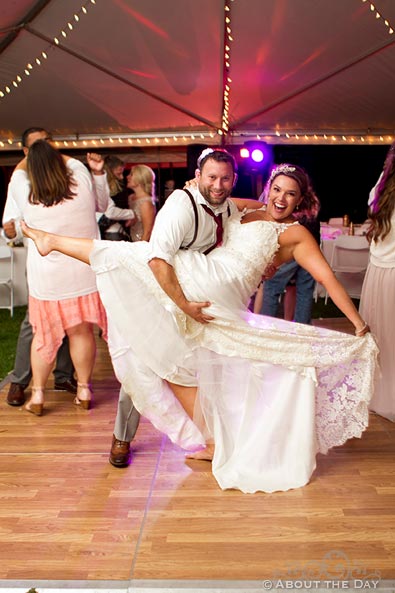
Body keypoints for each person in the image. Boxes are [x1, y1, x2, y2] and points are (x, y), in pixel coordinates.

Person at [22, 160, 377, 494]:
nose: (281, 199)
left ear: (302, 200)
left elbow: (326, 278)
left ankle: (51, 241)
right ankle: (211, 441)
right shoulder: (250, 207)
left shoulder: (296, 233)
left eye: (291, 194)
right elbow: (214, 193)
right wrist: (197, 185)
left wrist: (357, 321)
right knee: (177, 354)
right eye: (277, 190)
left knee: (136, 256)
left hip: (219, 285)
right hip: (204, 277)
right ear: (268, 188)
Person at [108, 149, 244, 468]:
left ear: (233, 180)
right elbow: (158, 261)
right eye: (211, 177)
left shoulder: (228, 208)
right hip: (156, 292)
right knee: (144, 362)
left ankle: (213, 435)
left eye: (225, 178)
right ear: (198, 177)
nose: (218, 184)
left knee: (194, 365)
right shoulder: (182, 206)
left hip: (193, 299)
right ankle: (121, 438)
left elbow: (243, 210)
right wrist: (182, 305)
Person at [21, 140, 109, 415]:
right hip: (82, 275)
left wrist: (31, 155)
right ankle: (83, 388)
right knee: (81, 332)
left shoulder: (27, 197)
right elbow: (103, 203)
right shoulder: (81, 185)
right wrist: (55, 152)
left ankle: (37, 395)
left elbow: (18, 176)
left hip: (47, 280)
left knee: (43, 336)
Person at [2, 127, 76, 407]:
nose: (44, 149)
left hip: (69, 256)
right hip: (40, 262)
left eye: (47, 142)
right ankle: (20, 380)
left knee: (71, 318)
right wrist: (11, 233)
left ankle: (64, 374)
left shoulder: (66, 176)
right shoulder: (20, 182)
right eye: (36, 146)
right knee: (33, 322)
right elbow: (12, 223)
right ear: (25, 153)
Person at [108, 165, 156, 467]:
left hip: (151, 272)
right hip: (140, 275)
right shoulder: (133, 203)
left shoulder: (148, 204)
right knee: (138, 360)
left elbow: (149, 237)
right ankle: (122, 436)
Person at [360, 142, 395, 422]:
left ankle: (380, 394)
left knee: (382, 338)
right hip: (392, 271)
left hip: (376, 272)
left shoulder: (379, 190)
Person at [258, 177, 321, 324]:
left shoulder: (285, 206)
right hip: (312, 251)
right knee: (304, 292)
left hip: (292, 249)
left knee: (272, 287)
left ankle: (265, 329)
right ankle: (301, 331)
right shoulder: (313, 202)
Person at [98, 155, 136, 241]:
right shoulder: (101, 188)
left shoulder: (117, 189)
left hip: (114, 230)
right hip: (110, 232)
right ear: (109, 172)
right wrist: (131, 214)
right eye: (119, 173)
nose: (122, 177)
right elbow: (110, 212)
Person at [127, 165, 157, 242]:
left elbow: (147, 232)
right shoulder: (131, 198)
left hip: (141, 243)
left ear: (140, 179)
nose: (127, 177)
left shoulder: (146, 202)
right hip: (131, 241)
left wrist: (140, 250)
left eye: (131, 175)